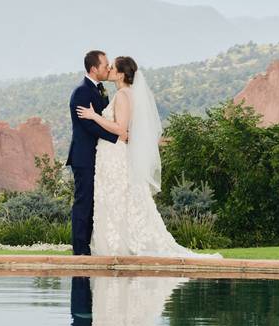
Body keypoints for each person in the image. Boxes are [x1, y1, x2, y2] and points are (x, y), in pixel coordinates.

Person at [75, 56, 222, 257]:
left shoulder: (123, 95)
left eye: (112, 67)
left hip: (115, 154)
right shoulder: (124, 93)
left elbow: (120, 128)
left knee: (116, 199)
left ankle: (117, 246)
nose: (108, 69)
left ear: (120, 74)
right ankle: (113, 245)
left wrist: (94, 116)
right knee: (115, 199)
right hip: (111, 154)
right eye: (106, 65)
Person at [66, 50, 127, 256]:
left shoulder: (101, 90)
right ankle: (80, 249)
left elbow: (105, 119)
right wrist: (117, 137)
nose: (108, 68)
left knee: (95, 201)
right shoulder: (81, 92)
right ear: (94, 69)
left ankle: (89, 246)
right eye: (105, 65)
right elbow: (88, 125)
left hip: (100, 156)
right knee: (84, 201)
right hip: (84, 157)